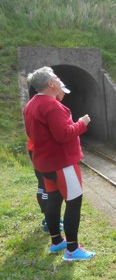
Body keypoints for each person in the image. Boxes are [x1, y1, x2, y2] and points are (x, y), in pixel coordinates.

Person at [23, 66, 95, 261]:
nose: (58, 79)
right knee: (74, 202)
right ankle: (72, 249)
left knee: (54, 200)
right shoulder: (51, 105)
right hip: (62, 162)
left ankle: (57, 241)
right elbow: (63, 134)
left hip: (45, 162)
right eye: (55, 77)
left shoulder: (31, 105)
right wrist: (82, 123)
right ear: (50, 84)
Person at [27, 80, 70, 232]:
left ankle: (48, 218)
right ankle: (49, 219)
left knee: (42, 185)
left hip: (35, 148)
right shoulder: (51, 105)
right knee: (47, 187)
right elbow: (61, 134)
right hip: (43, 151)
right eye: (62, 90)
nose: (64, 93)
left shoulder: (37, 103)